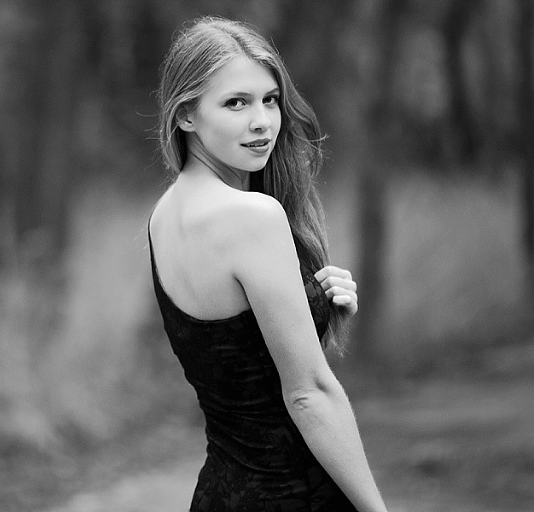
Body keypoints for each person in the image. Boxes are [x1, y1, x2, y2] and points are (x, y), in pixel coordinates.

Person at [148, 17, 389, 512]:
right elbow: (308, 395)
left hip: (219, 494)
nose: (262, 121)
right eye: (236, 102)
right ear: (186, 115)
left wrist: (316, 304)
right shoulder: (252, 216)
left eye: (270, 99)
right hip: (290, 496)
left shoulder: (164, 215)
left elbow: (236, 361)